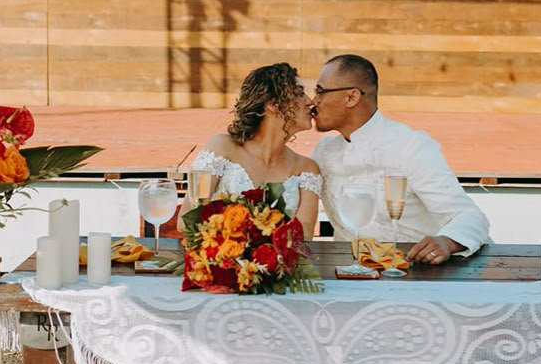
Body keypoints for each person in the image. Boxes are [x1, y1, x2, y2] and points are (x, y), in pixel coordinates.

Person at [311, 54, 489, 263]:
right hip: (349, 276)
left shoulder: (411, 147)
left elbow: (470, 217)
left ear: (352, 97)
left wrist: (447, 242)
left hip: (419, 277)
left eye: (320, 92)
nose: (314, 102)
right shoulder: (323, 152)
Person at [178, 62, 321, 240]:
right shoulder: (222, 147)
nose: (310, 101)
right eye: (299, 94)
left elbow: (305, 233)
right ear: (273, 104)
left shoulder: (307, 169)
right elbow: (186, 219)